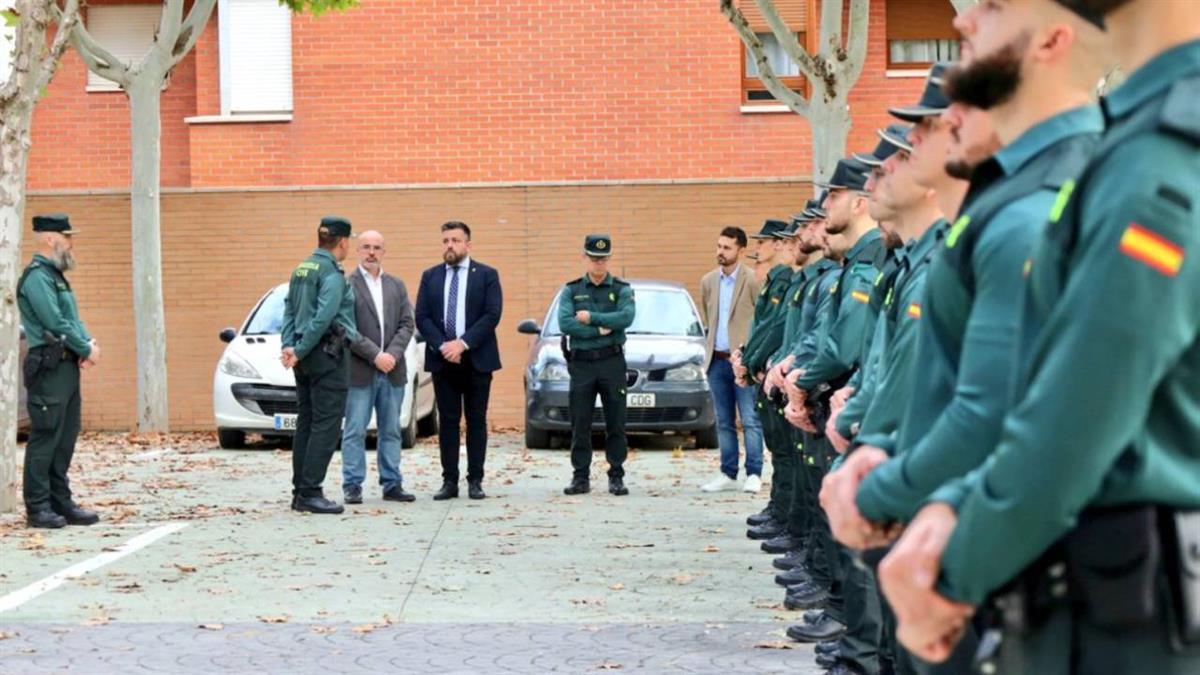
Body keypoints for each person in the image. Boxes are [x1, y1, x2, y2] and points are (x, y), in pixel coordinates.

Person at [879, 0, 1200, 672]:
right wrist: (953, 509)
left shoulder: (1158, 159)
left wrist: (945, 571)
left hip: (1125, 625)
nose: (965, 21)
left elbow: (1074, 423)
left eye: (993, 6)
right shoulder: (1138, 140)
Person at [17, 214, 100, 529]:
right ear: (51, 239)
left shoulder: (55, 276)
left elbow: (72, 319)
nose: (72, 243)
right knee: (47, 435)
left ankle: (60, 502)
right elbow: (54, 322)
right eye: (67, 237)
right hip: (48, 365)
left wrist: (85, 344)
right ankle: (38, 507)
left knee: (65, 435)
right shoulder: (38, 277)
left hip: (65, 364)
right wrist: (86, 348)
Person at [414, 221, 503, 501]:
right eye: (445, 241)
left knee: (476, 420)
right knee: (448, 422)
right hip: (443, 360)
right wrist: (443, 345)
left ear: (468, 244)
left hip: (477, 359)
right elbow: (422, 316)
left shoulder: (487, 275)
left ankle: (475, 480)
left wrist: (462, 344)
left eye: (455, 240)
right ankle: (449, 481)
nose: (449, 245)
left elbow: (492, 314)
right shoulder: (431, 276)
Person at [281, 216, 360, 515]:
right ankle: (310, 492)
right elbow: (325, 317)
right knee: (325, 426)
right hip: (328, 354)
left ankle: (299, 490)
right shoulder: (331, 272)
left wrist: (289, 346)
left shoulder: (301, 269)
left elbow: (289, 310)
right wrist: (299, 350)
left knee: (306, 423)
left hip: (305, 355)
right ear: (342, 241)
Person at [341, 230, 417, 505]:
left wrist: (392, 355)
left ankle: (392, 483)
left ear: (384, 251)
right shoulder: (346, 285)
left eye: (377, 247)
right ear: (358, 251)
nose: (371, 252)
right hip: (361, 371)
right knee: (355, 430)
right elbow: (345, 329)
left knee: (391, 429)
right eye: (365, 247)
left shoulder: (396, 285)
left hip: (392, 370)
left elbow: (408, 323)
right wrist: (376, 356)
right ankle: (352, 485)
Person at [558, 234, 636, 497]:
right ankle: (580, 476)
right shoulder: (572, 290)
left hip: (612, 362)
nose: (598, 263)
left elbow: (626, 317)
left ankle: (616, 475)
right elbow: (565, 324)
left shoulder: (621, 289)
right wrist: (602, 330)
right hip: (582, 364)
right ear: (585, 257)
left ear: (609, 258)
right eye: (593, 258)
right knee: (580, 422)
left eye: (603, 258)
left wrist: (591, 318)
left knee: (616, 421)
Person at [699, 226, 764, 493]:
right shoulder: (708, 282)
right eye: (719, 246)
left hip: (744, 361)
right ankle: (728, 472)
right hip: (717, 360)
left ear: (741, 250)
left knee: (750, 418)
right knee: (723, 420)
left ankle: (754, 472)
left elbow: (761, 318)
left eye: (726, 247)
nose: (720, 252)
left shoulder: (752, 280)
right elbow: (709, 316)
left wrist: (752, 356)